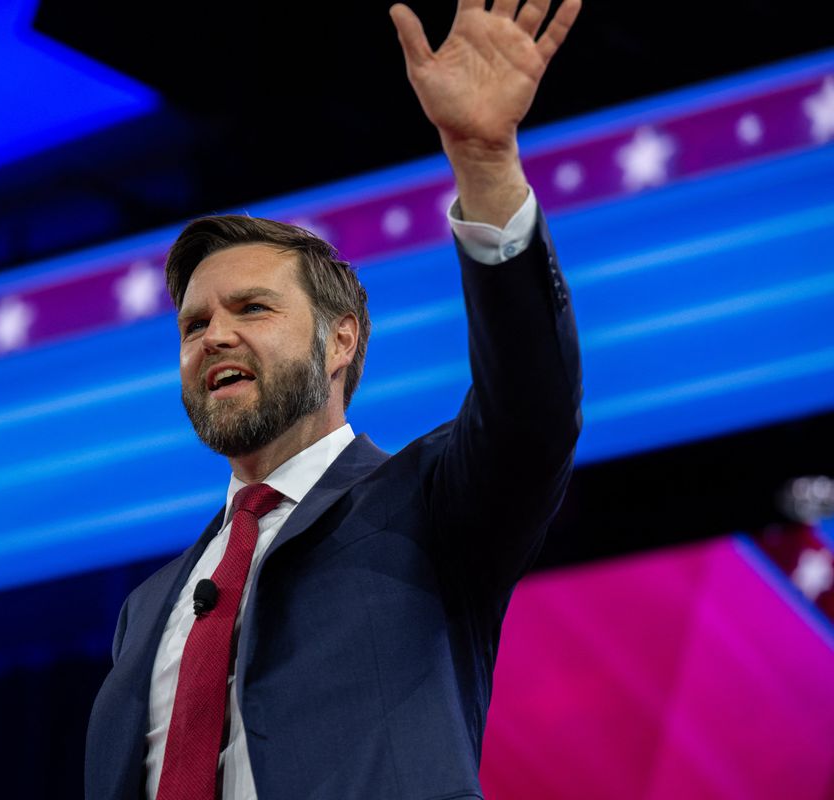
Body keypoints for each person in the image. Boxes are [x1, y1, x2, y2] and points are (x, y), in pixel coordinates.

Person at [85, 1, 583, 797]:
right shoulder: (148, 610)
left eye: (252, 309)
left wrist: (485, 161)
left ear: (341, 340)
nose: (213, 336)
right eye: (194, 325)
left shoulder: (429, 505)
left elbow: (533, 409)